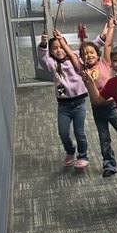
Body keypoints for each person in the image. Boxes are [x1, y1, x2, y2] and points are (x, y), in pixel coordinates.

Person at [56, 19, 117, 178]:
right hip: (98, 109)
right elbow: (71, 55)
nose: (89, 55)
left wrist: (112, 28)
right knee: (104, 139)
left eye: (92, 52)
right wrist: (61, 40)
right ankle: (109, 165)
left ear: (97, 54)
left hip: (113, 107)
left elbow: (107, 45)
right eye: (85, 54)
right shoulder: (82, 70)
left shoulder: (105, 63)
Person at [37, 29, 89, 169]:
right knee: (63, 132)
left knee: (80, 132)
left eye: (61, 46)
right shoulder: (52, 63)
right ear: (51, 51)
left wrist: (103, 36)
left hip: (79, 103)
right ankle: (70, 151)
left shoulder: (76, 57)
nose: (59, 50)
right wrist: (43, 44)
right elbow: (42, 58)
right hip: (64, 106)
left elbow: (91, 49)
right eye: (54, 48)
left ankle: (83, 155)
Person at [82, 45, 117, 123]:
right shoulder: (111, 83)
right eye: (115, 60)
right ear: (112, 66)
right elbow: (98, 101)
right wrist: (90, 83)